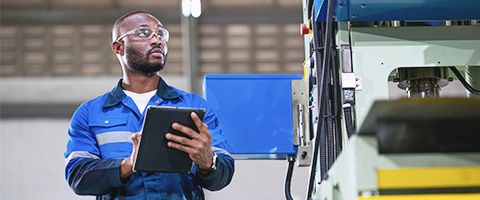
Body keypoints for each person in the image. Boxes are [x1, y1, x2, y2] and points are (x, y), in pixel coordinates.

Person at [64, 11, 234, 199]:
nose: (156, 40)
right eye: (144, 33)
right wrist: (127, 165)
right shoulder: (90, 113)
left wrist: (207, 161)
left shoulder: (195, 107)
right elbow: (78, 176)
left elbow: (223, 175)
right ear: (118, 47)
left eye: (161, 34)